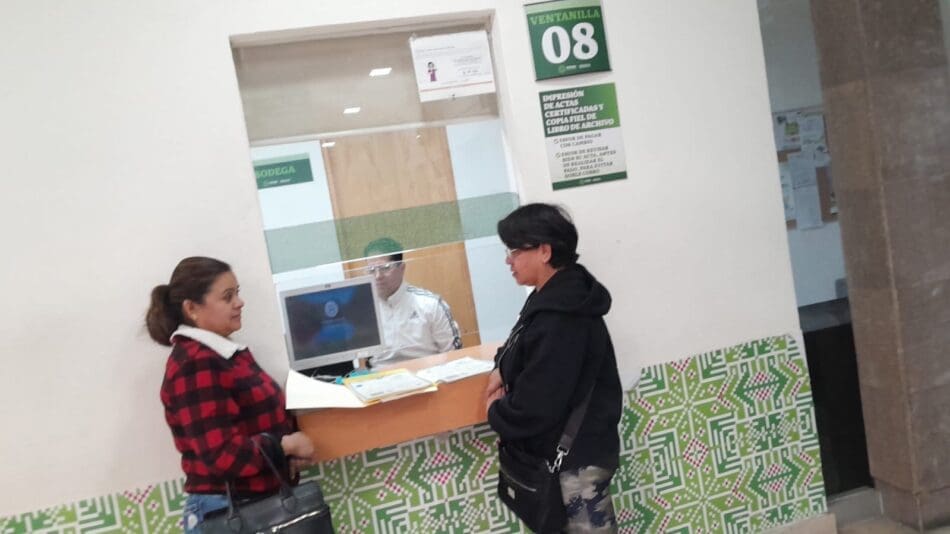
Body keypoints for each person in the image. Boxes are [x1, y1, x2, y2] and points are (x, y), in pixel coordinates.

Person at [146, 257, 316, 533]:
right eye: (228, 297)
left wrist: (285, 454)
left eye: (237, 293)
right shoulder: (195, 363)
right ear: (191, 308)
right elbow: (222, 454)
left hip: (253, 503)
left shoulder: (223, 355)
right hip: (228, 510)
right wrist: (285, 446)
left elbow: (254, 424)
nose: (240, 302)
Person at [484, 204, 622, 533]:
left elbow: (537, 404)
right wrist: (501, 367)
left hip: (577, 462)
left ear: (544, 251)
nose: (508, 261)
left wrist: (495, 411)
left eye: (515, 251)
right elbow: (520, 344)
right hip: (567, 457)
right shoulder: (550, 297)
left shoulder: (563, 315)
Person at [363, 238, 461, 365]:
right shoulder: (364, 312)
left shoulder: (430, 304)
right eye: (371, 270)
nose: (378, 276)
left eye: (385, 268)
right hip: (382, 375)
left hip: (428, 372)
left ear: (402, 268)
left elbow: (454, 354)